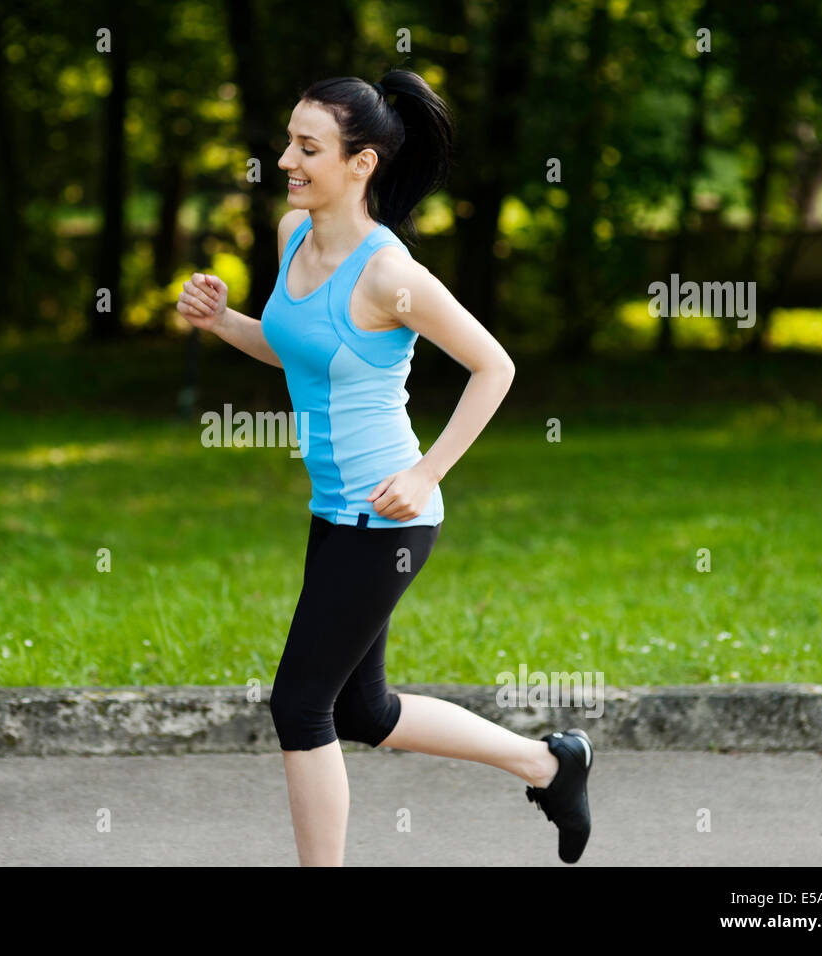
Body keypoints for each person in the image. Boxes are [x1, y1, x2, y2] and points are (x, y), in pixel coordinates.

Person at [177, 70, 593, 867]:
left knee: (300, 707)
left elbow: (494, 367)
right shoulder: (292, 236)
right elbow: (296, 348)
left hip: (390, 520)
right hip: (334, 512)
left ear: (360, 164)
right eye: (288, 143)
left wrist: (429, 473)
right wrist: (224, 320)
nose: (286, 161)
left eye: (308, 147)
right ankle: (551, 765)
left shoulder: (390, 276)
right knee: (363, 709)